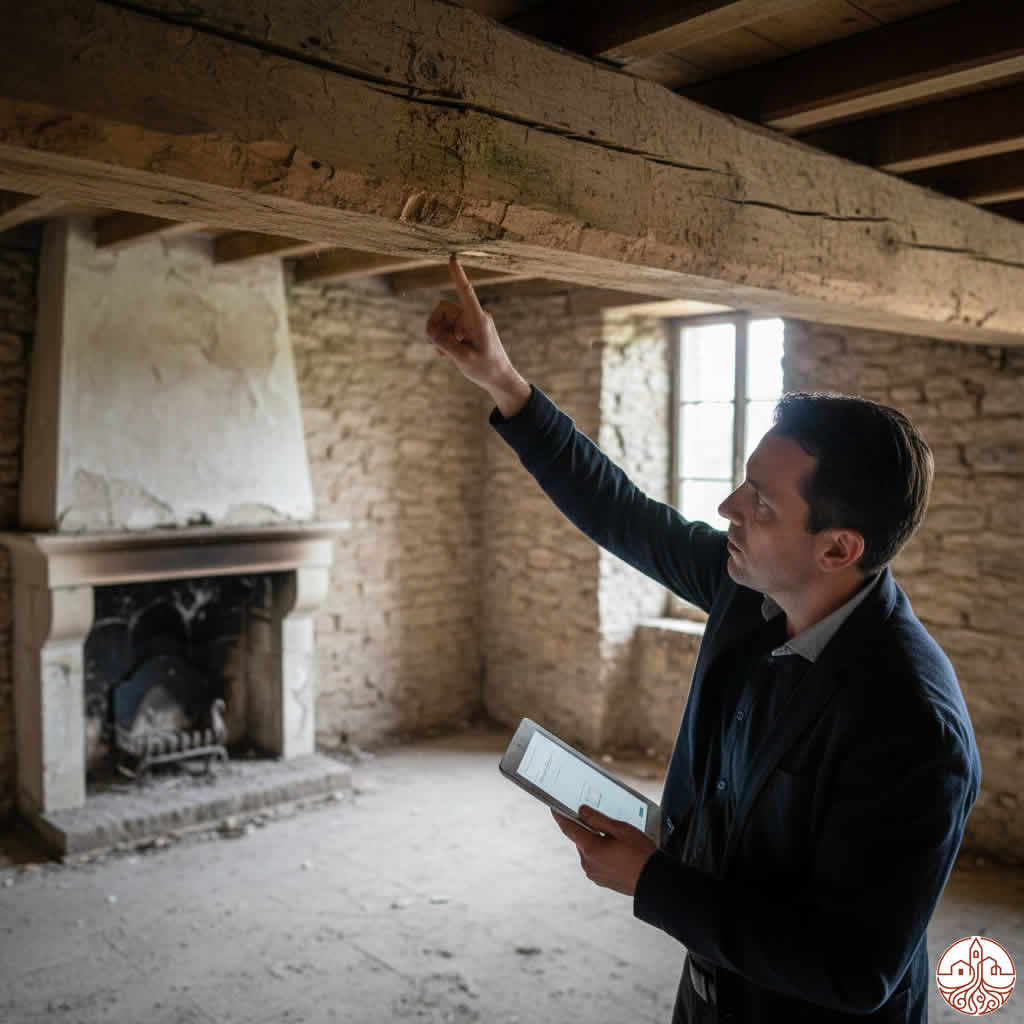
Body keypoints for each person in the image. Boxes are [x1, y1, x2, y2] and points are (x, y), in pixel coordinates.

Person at [426, 255, 981, 1024]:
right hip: (712, 994)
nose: (728, 506)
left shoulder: (913, 725)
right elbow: (623, 512)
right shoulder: (748, 590)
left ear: (837, 550)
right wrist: (503, 382)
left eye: (759, 500)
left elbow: (855, 970)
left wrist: (652, 883)